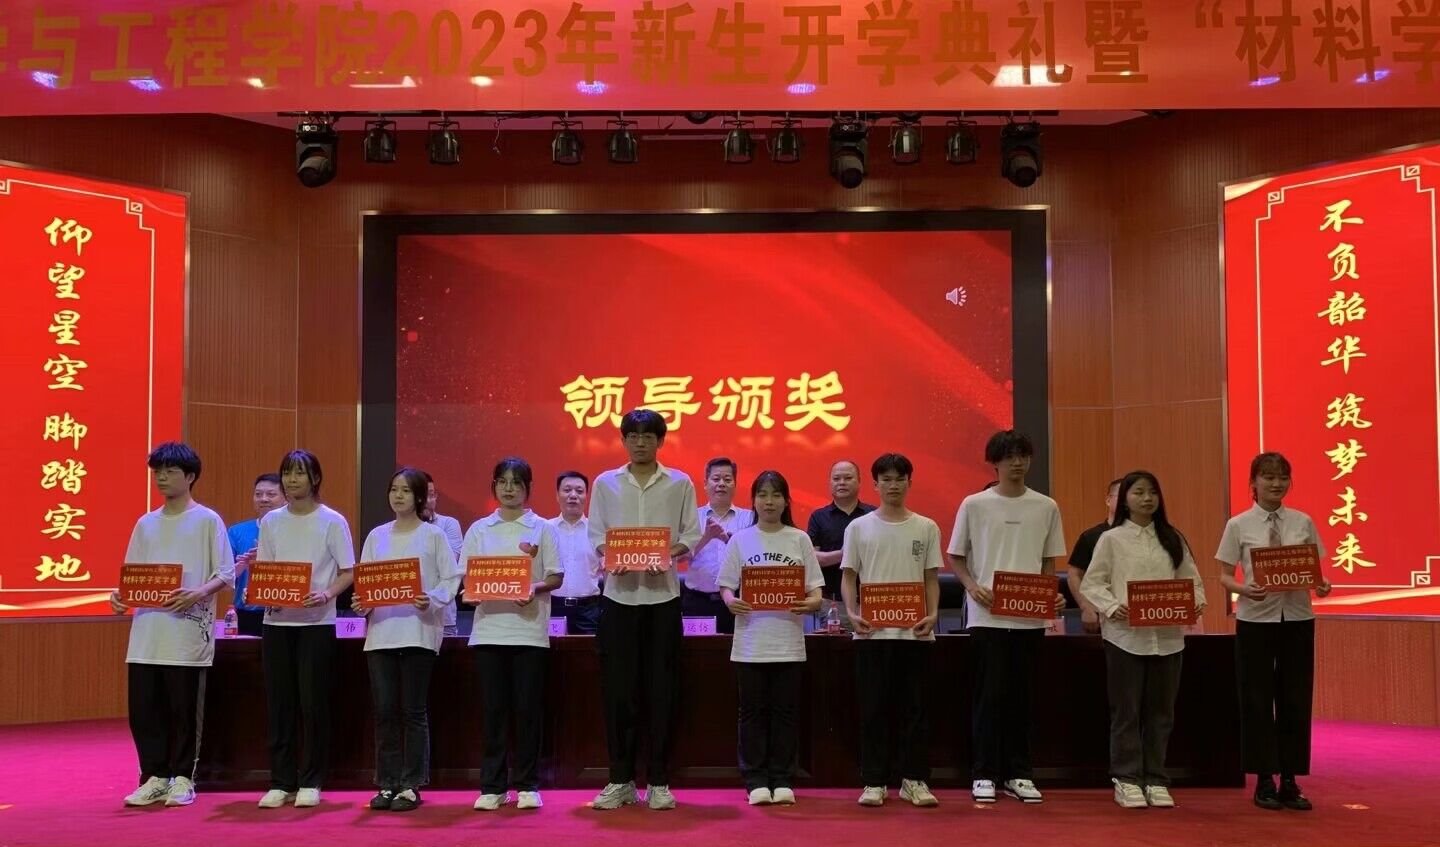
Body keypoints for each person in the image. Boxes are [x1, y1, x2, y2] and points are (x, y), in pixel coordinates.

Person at [587, 409, 701, 811]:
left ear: (660, 441)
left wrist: (666, 554)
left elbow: (691, 534)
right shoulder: (605, 483)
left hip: (662, 600)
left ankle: (658, 782)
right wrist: (611, 555)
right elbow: (596, 534)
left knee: (661, 692)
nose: (640, 442)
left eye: (648, 436)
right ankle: (620, 780)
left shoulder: (680, 483)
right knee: (619, 693)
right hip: (618, 599)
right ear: (623, 440)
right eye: (633, 436)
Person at [111, 442, 235, 808]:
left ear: (190, 476)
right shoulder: (146, 523)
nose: (161, 477)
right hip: (147, 635)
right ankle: (154, 777)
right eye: (157, 472)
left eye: (170, 471)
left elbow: (226, 573)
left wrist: (198, 593)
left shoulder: (207, 520)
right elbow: (132, 577)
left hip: (186, 634)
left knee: (183, 710)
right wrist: (120, 597)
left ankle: (183, 777)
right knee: (144, 710)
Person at [948, 430, 1066, 805]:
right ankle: (984, 773)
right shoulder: (975, 504)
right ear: (994, 463)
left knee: (1023, 697)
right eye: (1009, 456)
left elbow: (1048, 561)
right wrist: (972, 587)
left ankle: (1019, 773)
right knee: (989, 696)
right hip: (987, 617)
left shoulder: (1046, 506)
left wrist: (1048, 595)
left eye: (1023, 456)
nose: (1017, 463)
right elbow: (956, 556)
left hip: (1029, 617)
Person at [1081, 471, 1206, 809]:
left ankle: (1156, 778)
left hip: (1168, 638)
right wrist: (1111, 606)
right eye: (1138, 492)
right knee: (1127, 711)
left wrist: (1195, 601)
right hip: (1125, 637)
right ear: (1125, 499)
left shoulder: (1172, 538)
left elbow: (1192, 580)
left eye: (1152, 492)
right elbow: (1092, 583)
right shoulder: (1111, 539)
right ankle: (1126, 779)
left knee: (1161, 712)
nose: (1147, 498)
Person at [1216, 452, 1332, 812]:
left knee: (1295, 697)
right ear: (1253, 482)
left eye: (1282, 477)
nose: (1276, 483)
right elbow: (1223, 575)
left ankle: (1291, 780)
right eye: (1268, 477)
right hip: (1255, 620)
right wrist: (1242, 589)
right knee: (1256, 698)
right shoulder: (1238, 525)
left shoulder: (1302, 521)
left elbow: (1313, 571)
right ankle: (1264, 778)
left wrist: (1322, 585)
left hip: (1297, 618)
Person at [352, 468, 462, 813]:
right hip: (381, 634)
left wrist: (432, 598)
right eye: (393, 489)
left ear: (419, 497)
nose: (398, 496)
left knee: (413, 712)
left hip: (418, 631)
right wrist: (362, 602)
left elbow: (451, 578)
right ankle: (386, 783)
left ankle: (411, 785)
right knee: (385, 712)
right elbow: (366, 582)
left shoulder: (433, 535)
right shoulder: (376, 536)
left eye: (405, 490)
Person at [841, 453, 942, 808]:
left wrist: (932, 614)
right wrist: (851, 613)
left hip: (915, 633)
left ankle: (914, 780)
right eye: (886, 479)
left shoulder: (926, 527)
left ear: (909, 483)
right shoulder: (858, 528)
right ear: (875, 484)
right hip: (872, 634)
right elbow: (849, 577)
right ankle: (874, 780)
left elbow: (931, 578)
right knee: (873, 709)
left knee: (915, 710)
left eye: (900, 479)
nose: (893, 485)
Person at [256, 450, 356, 809]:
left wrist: (326, 594)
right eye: (287, 473)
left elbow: (348, 571)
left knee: (313, 704)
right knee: (279, 704)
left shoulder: (332, 521)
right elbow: (266, 569)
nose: (292, 480)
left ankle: (312, 780)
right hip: (277, 624)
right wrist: (267, 595)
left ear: (315, 479)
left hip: (317, 624)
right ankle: (281, 781)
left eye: (299, 473)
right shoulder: (271, 522)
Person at [718, 470, 824, 806]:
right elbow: (726, 586)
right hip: (750, 643)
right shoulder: (740, 540)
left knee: (785, 713)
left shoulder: (799, 539)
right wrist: (730, 601)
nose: (769, 501)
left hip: (788, 643)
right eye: (762, 495)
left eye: (776, 495)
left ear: (786, 501)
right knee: (751, 713)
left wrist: (811, 603)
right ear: (753, 501)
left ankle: (782, 779)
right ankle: (755, 780)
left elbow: (816, 591)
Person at [463, 458, 562, 811]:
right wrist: (471, 592)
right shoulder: (479, 529)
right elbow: (468, 577)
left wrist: (534, 588)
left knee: (527, 712)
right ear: (494, 486)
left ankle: (527, 784)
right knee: (493, 712)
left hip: (529, 633)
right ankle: (492, 786)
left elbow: (555, 576)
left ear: (528, 488)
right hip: (488, 633)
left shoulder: (543, 528)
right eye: (502, 482)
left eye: (516, 483)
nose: (509, 489)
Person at [684, 457, 754, 634]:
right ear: (705, 484)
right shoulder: (692, 517)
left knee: (735, 648)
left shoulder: (749, 518)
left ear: (735, 485)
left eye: (727, 479)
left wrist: (729, 541)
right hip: (697, 601)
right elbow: (679, 557)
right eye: (716, 479)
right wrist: (706, 537)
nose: (721, 484)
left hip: (737, 601)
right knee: (698, 650)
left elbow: (756, 558)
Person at [806, 460, 875, 626]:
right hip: (832, 603)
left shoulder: (873, 515)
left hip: (871, 601)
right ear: (830, 483)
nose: (842, 483)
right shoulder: (819, 516)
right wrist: (844, 554)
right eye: (836, 479)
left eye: (848, 478)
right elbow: (812, 558)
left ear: (859, 481)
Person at [230, 473, 285, 637]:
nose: (264, 499)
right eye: (258, 494)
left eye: (271, 494)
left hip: (284, 611)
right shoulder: (236, 531)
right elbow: (224, 578)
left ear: (285, 498)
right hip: (246, 612)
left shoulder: (294, 532)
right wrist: (240, 567)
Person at [549, 470, 603, 635]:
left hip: (589, 611)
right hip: (552, 608)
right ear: (557, 495)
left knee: (588, 652)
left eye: (579, 491)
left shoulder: (597, 531)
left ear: (587, 497)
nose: (573, 495)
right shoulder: (545, 529)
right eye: (567, 490)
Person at [1067, 478, 1124, 634]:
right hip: (1101, 615)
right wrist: (1086, 606)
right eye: (1121, 496)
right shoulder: (1091, 536)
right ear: (1108, 500)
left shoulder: (1142, 537)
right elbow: (1074, 574)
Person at [423, 475, 464, 635]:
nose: (428, 500)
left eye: (431, 494)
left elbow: (449, 566)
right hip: (407, 617)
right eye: (423, 495)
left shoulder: (448, 524)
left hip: (443, 617)